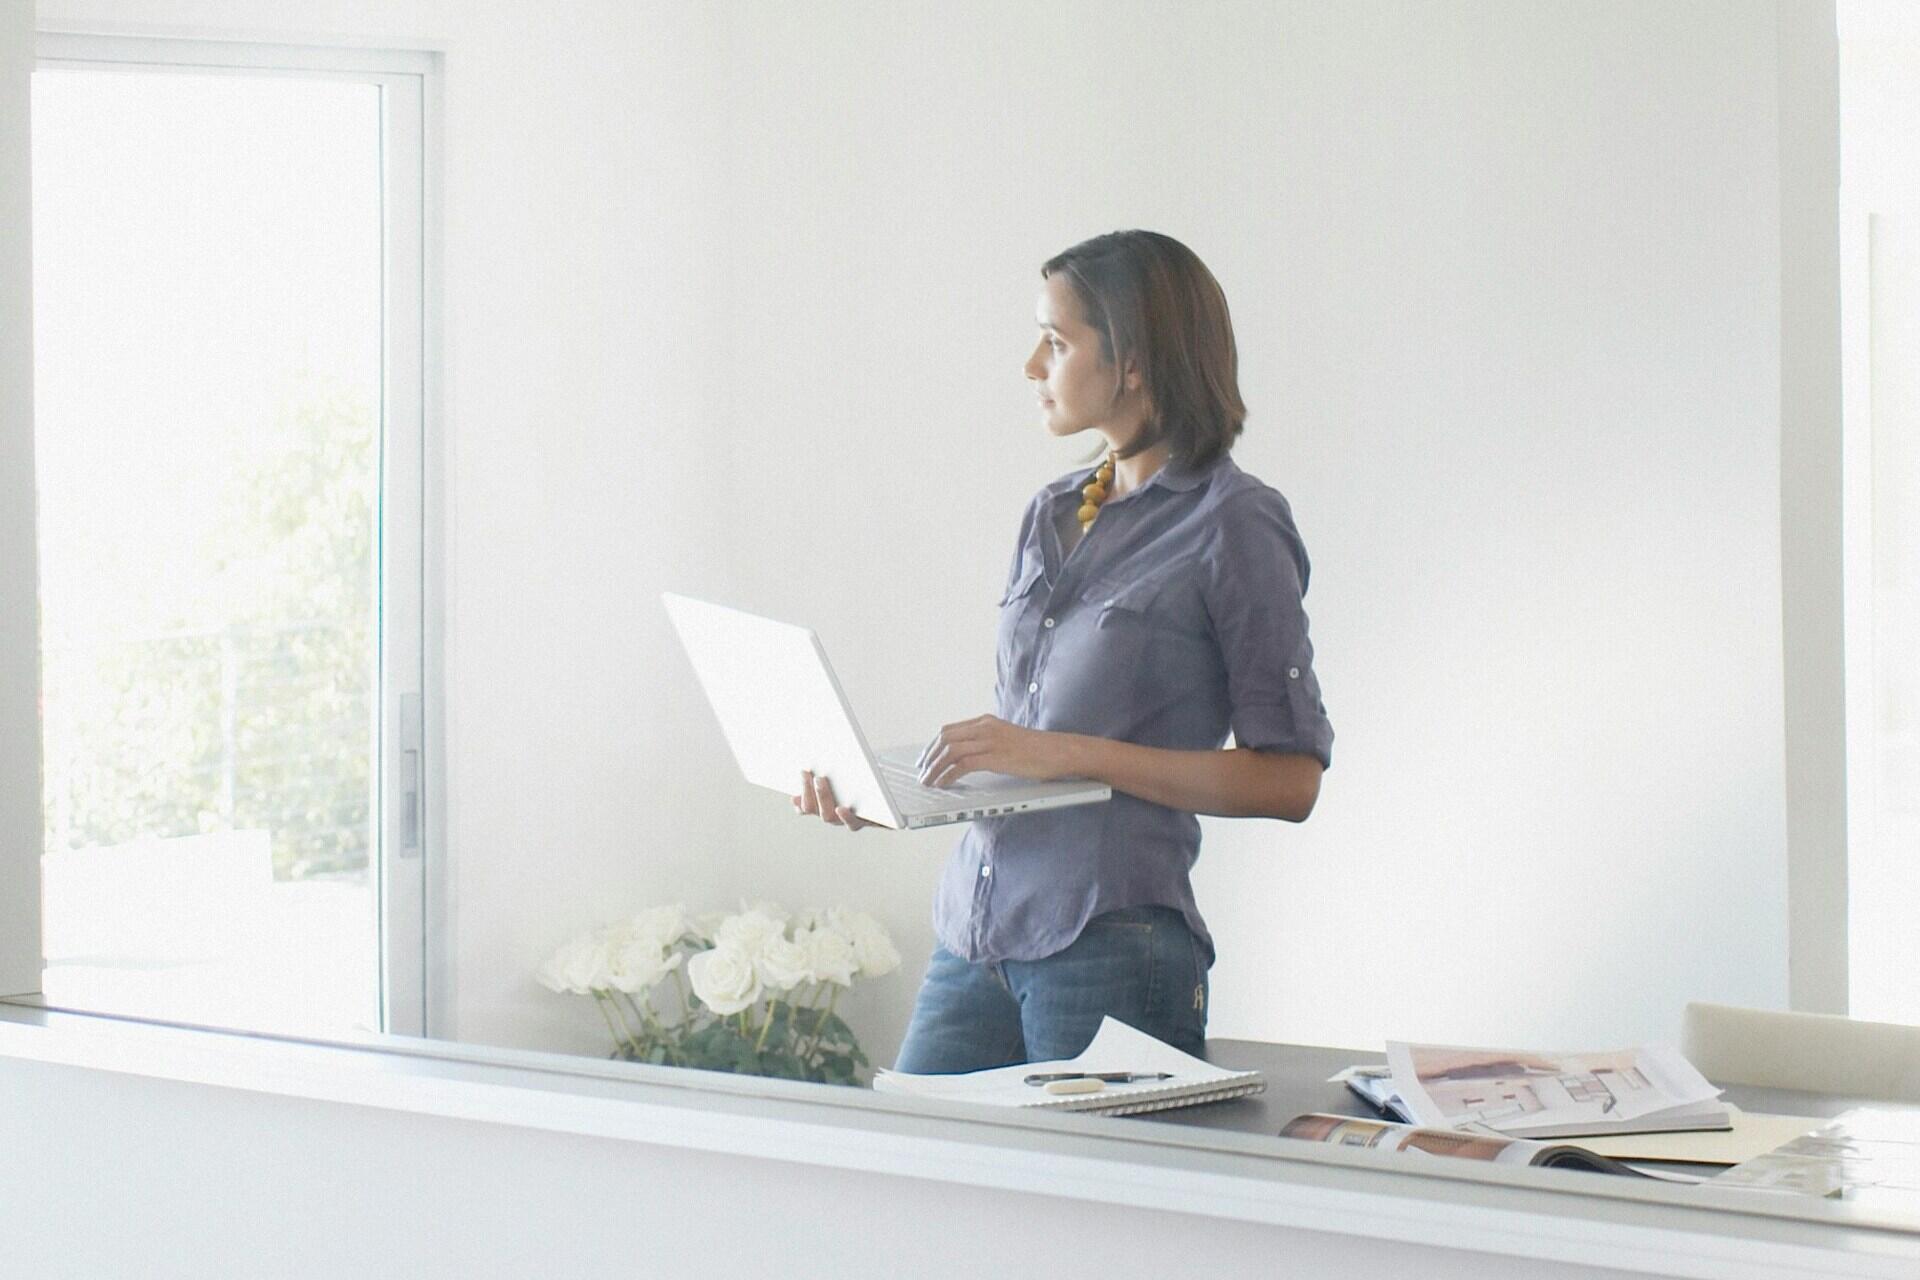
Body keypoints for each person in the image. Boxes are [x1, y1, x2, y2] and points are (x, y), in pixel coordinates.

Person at [793, 230, 1333, 1072]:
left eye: (1055, 341)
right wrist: (898, 792)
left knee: (1093, 1207)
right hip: (976, 933)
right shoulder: (1050, 512)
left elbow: (1290, 779)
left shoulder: (1235, 524)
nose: (1030, 366)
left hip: (1113, 945)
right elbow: (1026, 743)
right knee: (914, 1189)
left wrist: (1065, 755)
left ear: (1134, 362)